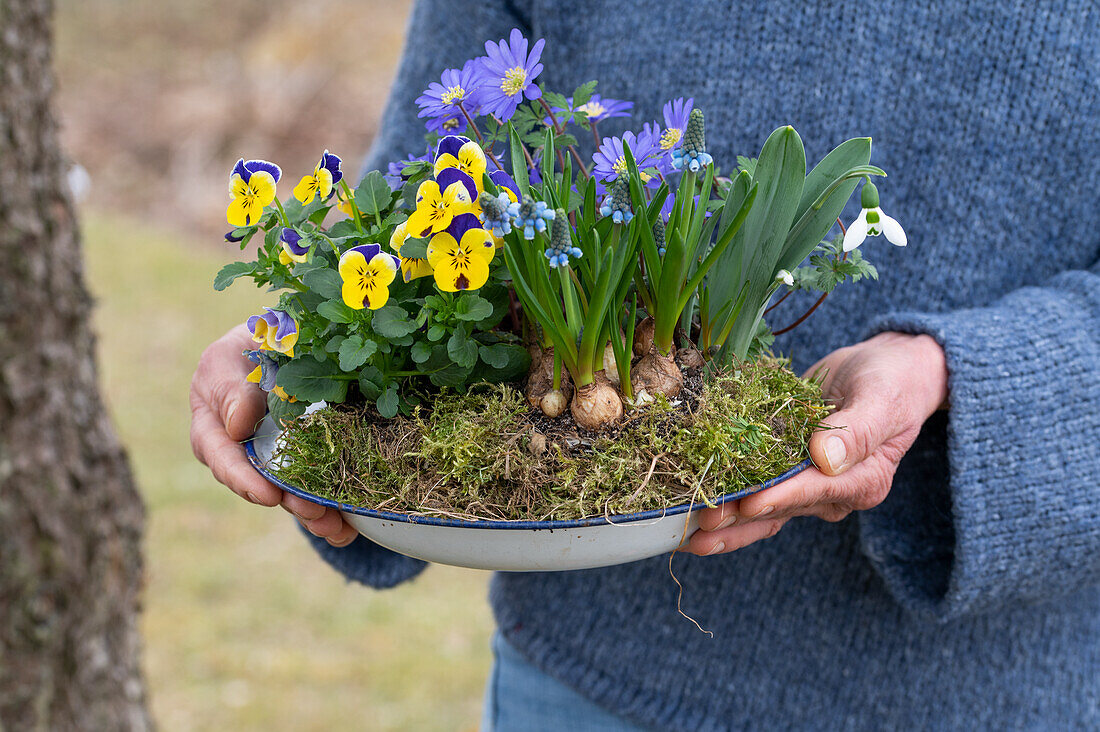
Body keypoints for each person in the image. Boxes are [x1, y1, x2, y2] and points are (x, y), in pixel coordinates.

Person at [190, 1, 1100, 728]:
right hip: (582, 681)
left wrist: (974, 383)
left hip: (980, 695)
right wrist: (312, 335)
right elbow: (429, 198)